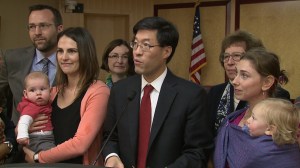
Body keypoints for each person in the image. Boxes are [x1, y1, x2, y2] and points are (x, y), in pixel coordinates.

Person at [102, 16, 213, 168]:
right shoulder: (120, 90)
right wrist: (111, 156)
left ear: (166, 51)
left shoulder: (191, 95)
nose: (137, 52)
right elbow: (110, 137)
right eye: (135, 44)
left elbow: (198, 151)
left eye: (146, 45)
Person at [23, 27, 110, 165]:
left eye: (72, 51)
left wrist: (38, 157)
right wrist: (26, 126)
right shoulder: (52, 92)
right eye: (60, 51)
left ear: (85, 54)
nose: (64, 57)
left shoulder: (98, 91)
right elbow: (22, 123)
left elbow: (80, 144)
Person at [214, 47, 300, 168]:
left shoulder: (288, 123)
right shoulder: (232, 120)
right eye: (237, 73)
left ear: (267, 82)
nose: (235, 81)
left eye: (244, 75)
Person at [0, 4, 63, 125]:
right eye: (32, 27)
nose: (37, 32)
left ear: (59, 28)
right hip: (21, 138)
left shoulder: (72, 61)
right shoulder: (12, 58)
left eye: (43, 26)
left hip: (62, 138)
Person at [207, 30, 264, 134]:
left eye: (236, 56)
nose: (229, 62)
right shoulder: (215, 92)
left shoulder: (274, 95)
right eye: (226, 56)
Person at [16, 72, 55, 152]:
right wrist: (22, 135)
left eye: (42, 89)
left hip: (46, 137)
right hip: (37, 139)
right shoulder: (31, 106)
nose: (38, 93)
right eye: (32, 90)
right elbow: (24, 121)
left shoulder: (45, 104)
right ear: (25, 94)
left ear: (50, 91)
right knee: (51, 155)